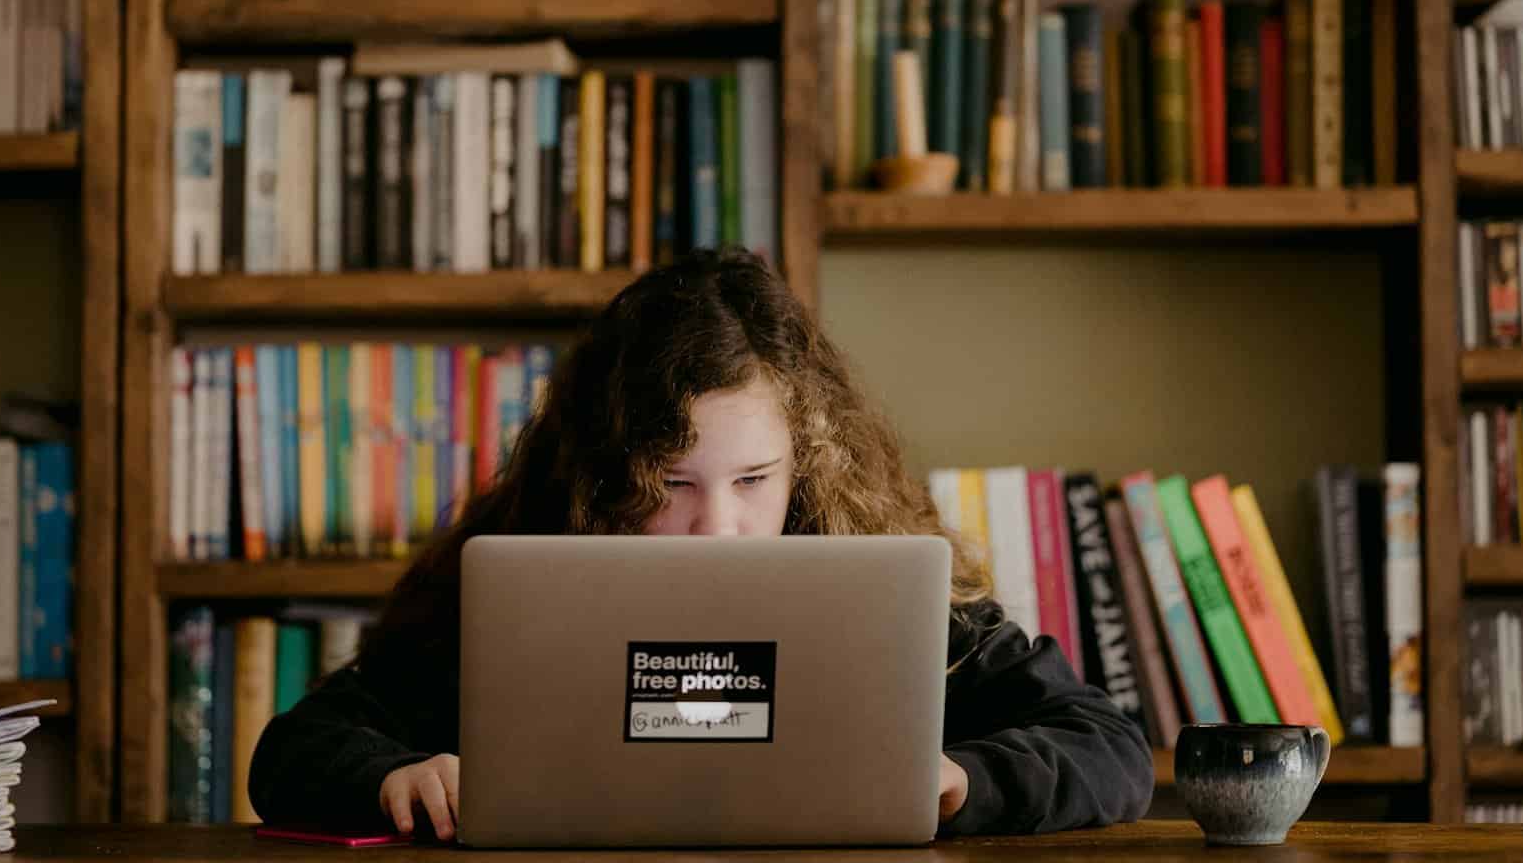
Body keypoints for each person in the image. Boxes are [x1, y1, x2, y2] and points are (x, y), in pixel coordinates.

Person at [248, 248, 1154, 839]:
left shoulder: (867, 567)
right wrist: (394, 777)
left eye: (754, 481)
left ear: (808, 462)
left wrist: (963, 781)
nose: (717, 526)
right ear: (606, 473)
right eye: (671, 485)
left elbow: (1105, 743)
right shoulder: (523, 565)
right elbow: (294, 749)